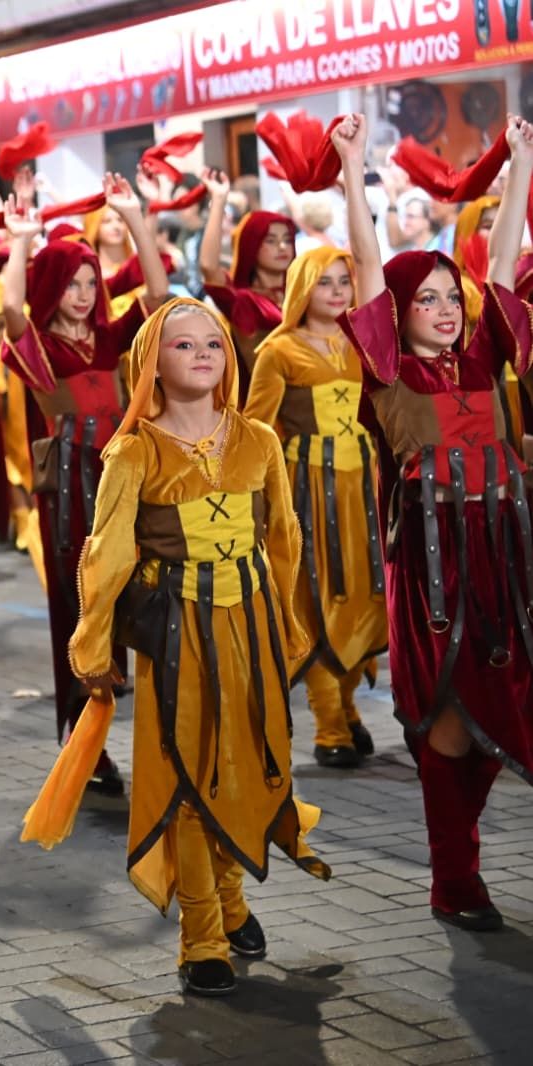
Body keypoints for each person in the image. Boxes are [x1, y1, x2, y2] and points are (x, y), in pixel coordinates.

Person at [69, 297, 330, 998]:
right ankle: (201, 935)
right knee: (187, 773)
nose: (203, 354)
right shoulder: (133, 450)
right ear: (151, 363)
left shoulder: (258, 441)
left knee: (244, 764)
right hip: (175, 629)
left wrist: (289, 628)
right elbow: (107, 554)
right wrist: (94, 647)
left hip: (250, 624)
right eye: (182, 346)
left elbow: (282, 542)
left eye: (212, 342)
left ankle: (233, 899)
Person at [335, 112, 533, 931]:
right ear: (399, 311)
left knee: (509, 708)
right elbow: (365, 267)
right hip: (433, 567)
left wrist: (518, 163)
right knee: (449, 728)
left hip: (510, 557)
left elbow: (502, 253)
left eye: (451, 298)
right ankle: (455, 877)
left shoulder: (486, 356)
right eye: (427, 298)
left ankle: (459, 869)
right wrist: (351, 176)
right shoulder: (385, 368)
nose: (446, 309)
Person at [0, 174, 169, 794]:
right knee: (77, 611)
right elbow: (12, 311)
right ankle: (85, 745)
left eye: (90, 282)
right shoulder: (37, 347)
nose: (82, 293)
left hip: (126, 483)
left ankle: (152, 736)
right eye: (70, 283)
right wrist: (20, 241)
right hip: (69, 491)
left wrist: (132, 213)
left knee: (139, 601)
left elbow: (157, 294)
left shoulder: (107, 338)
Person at [242, 246, 387, 768]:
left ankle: (348, 707)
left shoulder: (363, 343)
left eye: (343, 282)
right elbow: (255, 428)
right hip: (310, 492)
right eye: (324, 283)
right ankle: (328, 722)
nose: (337, 292)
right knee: (319, 597)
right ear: (302, 288)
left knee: (367, 598)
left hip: (366, 491)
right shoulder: (277, 351)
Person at [199, 170, 297, 385]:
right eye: (270, 240)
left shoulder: (305, 293)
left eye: (287, 240)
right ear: (251, 246)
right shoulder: (241, 300)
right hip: (261, 407)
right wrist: (218, 200)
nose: (282, 247)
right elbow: (208, 266)